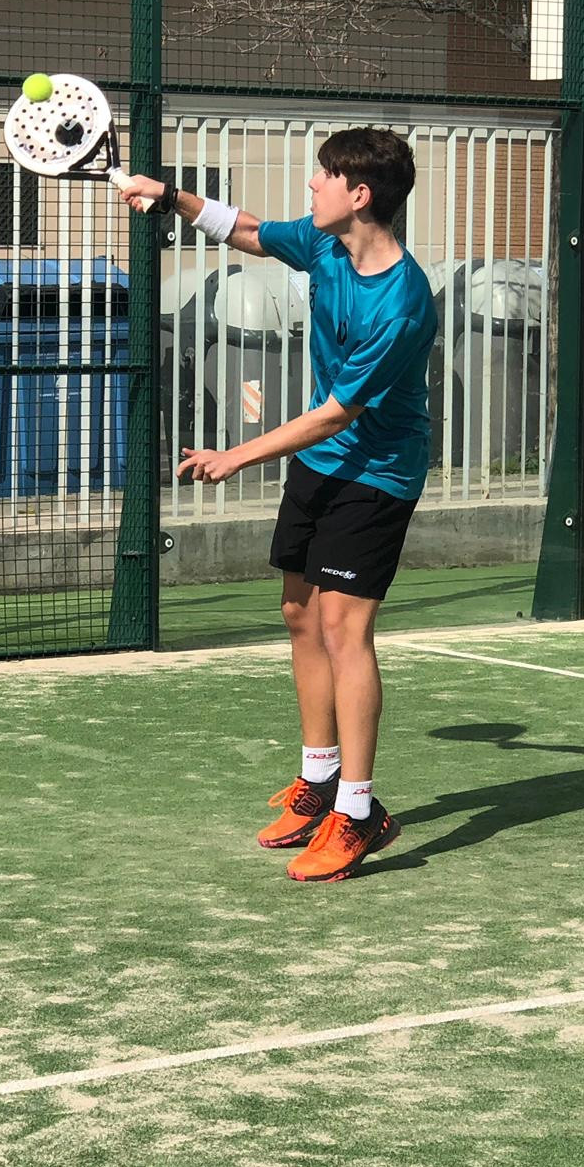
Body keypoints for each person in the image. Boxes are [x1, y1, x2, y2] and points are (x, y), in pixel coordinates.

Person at [119, 128, 436, 882]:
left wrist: (235, 456)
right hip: (321, 465)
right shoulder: (327, 245)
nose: (312, 186)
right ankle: (319, 780)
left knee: (344, 629)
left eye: (323, 177)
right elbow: (253, 232)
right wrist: (168, 196)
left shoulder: (402, 302)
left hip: (377, 472)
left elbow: (336, 414)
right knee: (299, 612)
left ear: (360, 195)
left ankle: (358, 812)